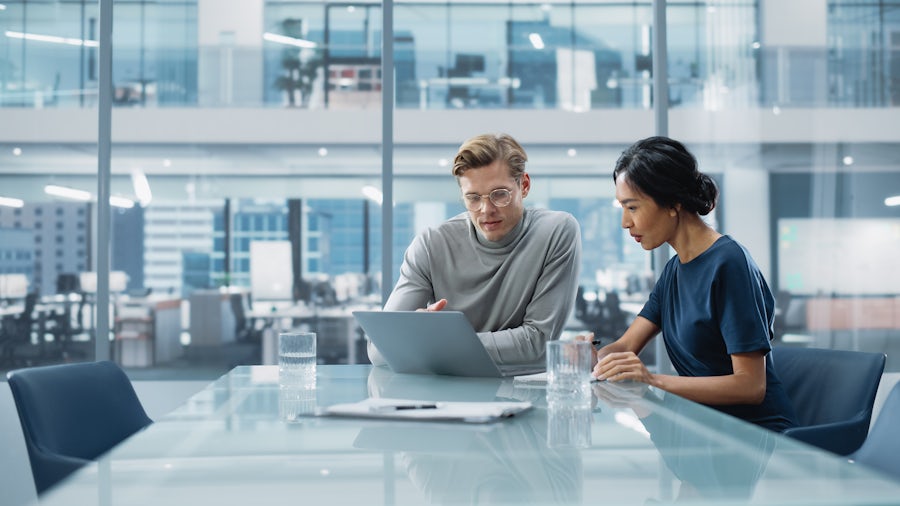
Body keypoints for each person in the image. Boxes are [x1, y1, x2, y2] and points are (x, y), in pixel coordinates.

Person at [588, 136, 797, 433]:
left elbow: (751, 386)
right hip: (703, 426)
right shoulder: (675, 270)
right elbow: (625, 346)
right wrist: (593, 358)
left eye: (632, 208)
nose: (625, 222)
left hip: (755, 435)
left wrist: (653, 380)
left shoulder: (729, 264)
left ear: (673, 203)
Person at [367, 133, 582, 370]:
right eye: (473, 198)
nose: (486, 209)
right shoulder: (431, 244)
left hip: (524, 392)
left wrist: (431, 343)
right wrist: (425, 334)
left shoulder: (556, 231)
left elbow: (537, 342)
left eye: (500, 194)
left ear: (525, 185)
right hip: (445, 397)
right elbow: (379, 349)